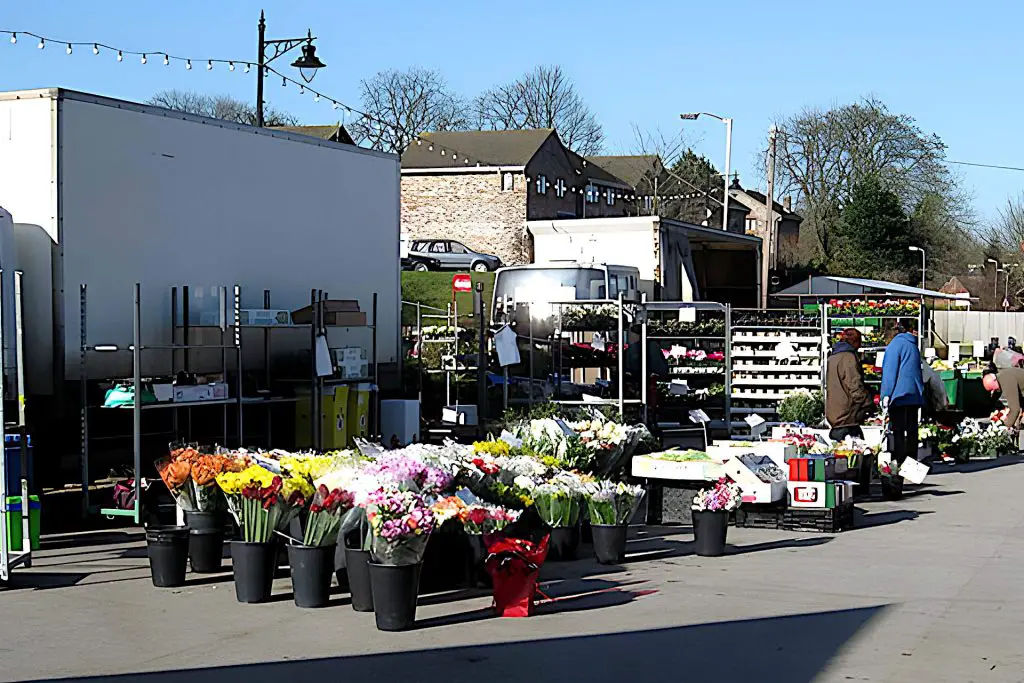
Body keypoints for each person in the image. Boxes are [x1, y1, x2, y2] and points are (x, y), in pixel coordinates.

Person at [880, 321, 924, 466]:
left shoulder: (894, 346)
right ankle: (912, 465)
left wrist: (885, 395)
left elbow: (889, 373)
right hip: (914, 394)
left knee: (898, 432)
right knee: (912, 432)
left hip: (899, 396)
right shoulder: (913, 345)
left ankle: (899, 463)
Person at [826, 328, 872, 441]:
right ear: (854, 341)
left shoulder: (833, 357)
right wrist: (868, 403)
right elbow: (854, 385)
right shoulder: (849, 358)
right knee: (857, 452)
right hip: (847, 417)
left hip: (835, 416)